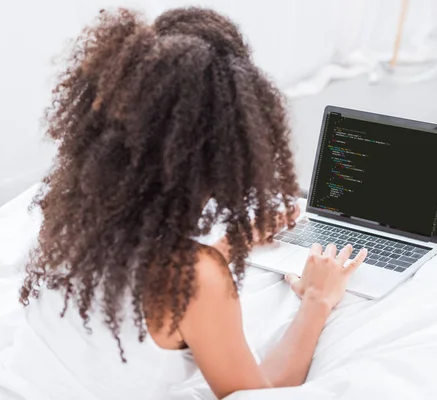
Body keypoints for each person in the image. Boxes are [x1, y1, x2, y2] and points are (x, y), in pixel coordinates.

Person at [0, 7, 367, 400]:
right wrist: (317, 299)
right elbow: (258, 393)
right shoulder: (194, 281)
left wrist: (234, 243)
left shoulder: (70, 210)